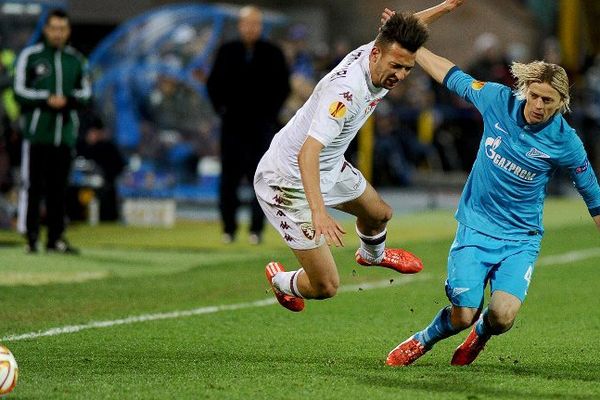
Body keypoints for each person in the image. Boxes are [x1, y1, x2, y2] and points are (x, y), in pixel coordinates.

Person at [381, 10, 600, 366]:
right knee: (462, 313)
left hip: (521, 237)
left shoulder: (566, 142)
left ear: (561, 103)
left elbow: (592, 193)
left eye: (548, 100)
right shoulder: (497, 100)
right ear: (525, 90)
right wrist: (411, 44)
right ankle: (423, 339)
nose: (539, 106)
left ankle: (481, 334)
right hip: (477, 225)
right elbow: (450, 76)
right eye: (535, 96)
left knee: (501, 316)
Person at [254, 0, 464, 313]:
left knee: (379, 214)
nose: (400, 75)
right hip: (287, 182)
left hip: (329, 166)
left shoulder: (381, 51)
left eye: (407, 68)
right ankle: (281, 281)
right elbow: (307, 154)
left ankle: (372, 256)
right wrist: (319, 212)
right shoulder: (344, 94)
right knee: (326, 286)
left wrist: (445, 7)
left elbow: (403, 31)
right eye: (396, 66)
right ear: (377, 54)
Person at [206, 5, 291, 245]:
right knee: (229, 178)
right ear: (240, 26)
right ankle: (228, 229)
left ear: (261, 26)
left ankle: (257, 229)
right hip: (232, 125)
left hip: (262, 126)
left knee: (263, 178)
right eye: (247, 23)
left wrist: (270, 114)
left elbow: (283, 87)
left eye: (256, 23)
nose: (251, 28)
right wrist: (222, 110)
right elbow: (213, 85)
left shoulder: (273, 53)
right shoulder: (227, 51)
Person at [14, 9, 91, 254]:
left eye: (62, 29)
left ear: (68, 31)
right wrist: (46, 99)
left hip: (64, 135)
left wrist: (66, 100)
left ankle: (56, 238)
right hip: (37, 134)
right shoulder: (31, 57)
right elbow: (19, 92)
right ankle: (31, 237)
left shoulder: (76, 60)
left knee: (60, 188)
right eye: (54, 28)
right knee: (33, 186)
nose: (58, 33)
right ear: (46, 30)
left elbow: (86, 94)